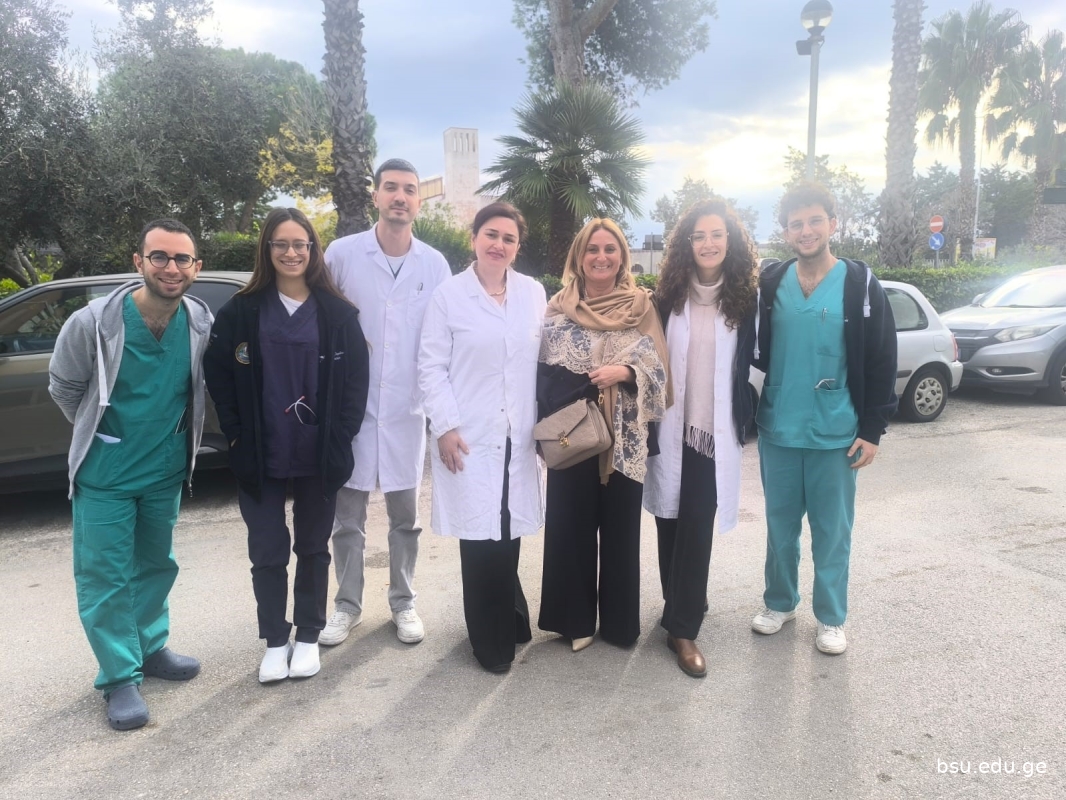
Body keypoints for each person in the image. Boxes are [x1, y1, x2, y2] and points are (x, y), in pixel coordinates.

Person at [48, 219, 212, 731]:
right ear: (139, 261)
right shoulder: (93, 322)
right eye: (159, 256)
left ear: (196, 267)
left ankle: (150, 647)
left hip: (164, 468)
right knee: (105, 575)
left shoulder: (200, 321)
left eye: (182, 258)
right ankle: (120, 676)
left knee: (156, 564)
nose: (171, 267)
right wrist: (102, 434)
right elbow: (64, 387)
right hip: (107, 472)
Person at [203, 208, 369, 682]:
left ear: (313, 250)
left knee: (313, 547)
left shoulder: (337, 314)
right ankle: (276, 640)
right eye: (281, 243)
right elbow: (219, 375)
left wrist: (341, 435)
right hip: (261, 451)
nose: (291, 252)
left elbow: (357, 381)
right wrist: (236, 433)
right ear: (267, 249)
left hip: (319, 452)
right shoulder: (241, 311)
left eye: (300, 244)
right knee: (267, 549)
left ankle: (310, 635)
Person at [751, 182, 897, 655]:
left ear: (833, 224)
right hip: (779, 426)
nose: (806, 230)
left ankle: (831, 617)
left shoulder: (859, 283)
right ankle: (779, 602)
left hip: (836, 431)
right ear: (786, 232)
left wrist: (872, 430)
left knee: (833, 532)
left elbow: (882, 358)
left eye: (815, 220)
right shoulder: (771, 283)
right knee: (780, 527)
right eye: (796, 223)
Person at [322, 159, 451, 647]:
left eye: (409, 190)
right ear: (375, 195)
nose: (400, 196)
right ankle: (347, 606)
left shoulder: (434, 264)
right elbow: (321, 322)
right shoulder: (342, 254)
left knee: (405, 519)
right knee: (347, 519)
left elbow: (443, 342)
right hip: (350, 411)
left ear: (419, 201)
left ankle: (403, 602)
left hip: (405, 411)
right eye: (391, 188)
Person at [418, 202, 546, 673]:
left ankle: (512, 616)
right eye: (491, 234)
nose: (499, 244)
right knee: (479, 537)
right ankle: (489, 642)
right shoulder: (449, 296)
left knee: (508, 530)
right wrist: (445, 426)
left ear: (517, 247)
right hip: (469, 434)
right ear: (474, 238)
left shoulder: (533, 293)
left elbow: (545, 356)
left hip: (518, 433)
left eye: (509, 238)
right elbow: (430, 366)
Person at [537, 219, 669, 651]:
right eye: (592, 249)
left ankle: (619, 625)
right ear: (579, 256)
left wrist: (626, 371)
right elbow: (537, 373)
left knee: (620, 532)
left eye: (610, 249)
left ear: (622, 257)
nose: (601, 257)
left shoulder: (641, 305)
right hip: (572, 432)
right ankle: (575, 622)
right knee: (570, 527)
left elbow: (660, 371)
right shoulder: (557, 307)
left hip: (625, 434)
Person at [643, 201, 758, 678]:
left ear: (730, 241)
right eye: (699, 236)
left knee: (696, 523)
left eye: (717, 234)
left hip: (712, 435)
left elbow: (759, 360)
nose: (708, 243)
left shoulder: (746, 300)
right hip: (670, 426)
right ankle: (679, 604)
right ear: (686, 244)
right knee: (668, 520)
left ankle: (684, 628)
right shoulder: (666, 299)